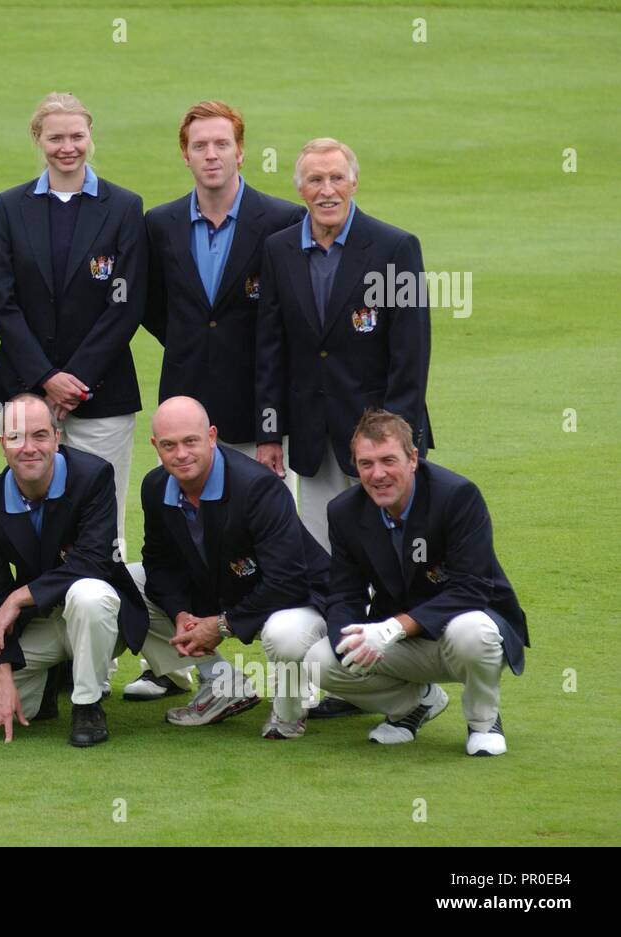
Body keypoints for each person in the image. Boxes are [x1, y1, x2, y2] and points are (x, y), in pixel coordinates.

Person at [135, 100, 304, 702]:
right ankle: (185, 665)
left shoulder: (281, 219)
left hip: (252, 409)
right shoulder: (158, 224)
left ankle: (292, 671)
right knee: (185, 535)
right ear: (185, 154)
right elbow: (156, 307)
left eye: (221, 145)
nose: (211, 155)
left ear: (241, 151)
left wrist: (269, 431)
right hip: (184, 410)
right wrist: (188, 345)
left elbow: (282, 327)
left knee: (265, 545)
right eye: (199, 146)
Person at [304, 410, 528, 755]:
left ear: (412, 459)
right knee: (321, 660)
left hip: (466, 630)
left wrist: (394, 628)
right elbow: (344, 592)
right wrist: (347, 641)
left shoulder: (457, 496)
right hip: (402, 642)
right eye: (366, 464)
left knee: (472, 630)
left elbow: (472, 589)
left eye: (388, 461)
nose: (377, 474)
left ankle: (483, 721)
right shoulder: (344, 511)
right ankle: (413, 707)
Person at [0, 394, 148, 747]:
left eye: (39, 435)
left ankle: (87, 704)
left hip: (99, 619)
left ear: (56, 437)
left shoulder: (94, 476)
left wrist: (20, 597)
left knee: (89, 593)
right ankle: (41, 691)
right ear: (3, 443)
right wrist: (1, 673)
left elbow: (94, 562)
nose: (28, 447)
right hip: (42, 624)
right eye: (17, 437)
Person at [0, 92, 147, 541]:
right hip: (24, 389)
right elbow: (3, 300)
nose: (67, 146)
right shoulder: (11, 206)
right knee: (31, 517)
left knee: (102, 522)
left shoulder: (125, 206)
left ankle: (102, 609)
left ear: (91, 136)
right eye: (55, 137)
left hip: (103, 392)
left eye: (77, 135)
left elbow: (125, 304)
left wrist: (74, 380)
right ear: (38, 139)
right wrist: (46, 377)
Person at [254, 137, 433, 554]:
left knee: (392, 550)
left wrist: (396, 438)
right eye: (315, 179)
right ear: (301, 190)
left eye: (337, 178)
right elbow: (270, 348)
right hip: (311, 436)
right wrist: (268, 431)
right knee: (322, 553)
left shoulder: (396, 248)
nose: (327, 190)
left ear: (354, 183)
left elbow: (411, 352)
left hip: (379, 437)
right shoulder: (278, 250)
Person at [131, 397, 330, 738]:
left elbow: (288, 580)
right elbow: (159, 564)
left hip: (300, 599)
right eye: (168, 445)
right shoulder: (154, 486)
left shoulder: (258, 487)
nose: (180, 454)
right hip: (224, 587)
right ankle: (223, 684)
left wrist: (222, 625)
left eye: (190, 441)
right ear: (155, 446)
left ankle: (290, 713)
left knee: (282, 632)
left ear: (211, 436)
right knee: (132, 581)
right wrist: (178, 612)